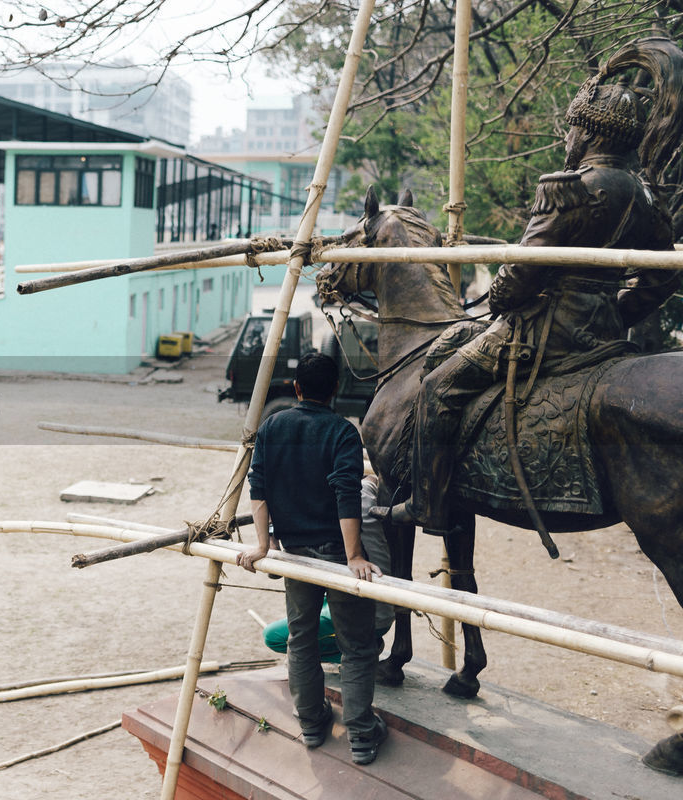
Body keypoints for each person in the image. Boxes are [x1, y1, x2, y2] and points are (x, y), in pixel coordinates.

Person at [376, 72, 681, 535]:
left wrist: (499, 295)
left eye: (574, 128)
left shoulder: (570, 188)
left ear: (592, 131)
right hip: (605, 334)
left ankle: (425, 504)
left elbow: (517, 277)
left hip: (542, 332)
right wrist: (617, 312)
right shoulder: (646, 199)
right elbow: (661, 280)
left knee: (438, 387)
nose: (570, 137)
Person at [237, 352, 387, 765]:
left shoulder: (272, 426)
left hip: (295, 553)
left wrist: (263, 545)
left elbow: (259, 487)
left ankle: (310, 723)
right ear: (335, 390)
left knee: (300, 638)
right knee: (356, 646)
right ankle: (360, 734)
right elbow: (347, 491)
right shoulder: (342, 431)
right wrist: (354, 554)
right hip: (336, 553)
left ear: (296, 388)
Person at [260, 476, 395, 662]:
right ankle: (362, 645)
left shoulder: (326, 510)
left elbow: (263, 489)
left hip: (369, 614)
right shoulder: (362, 490)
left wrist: (270, 538)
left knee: (274, 637)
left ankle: (360, 650)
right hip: (376, 606)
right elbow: (373, 478)